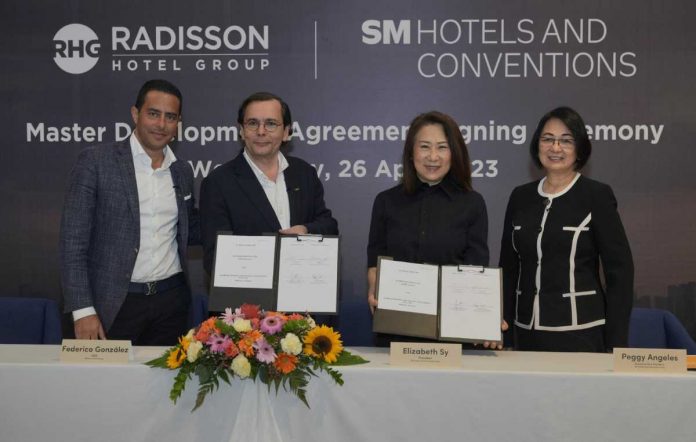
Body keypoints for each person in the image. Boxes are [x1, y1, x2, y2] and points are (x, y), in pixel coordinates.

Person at [60, 79, 199, 345]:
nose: (161, 124)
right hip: (112, 305)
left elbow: (190, 229)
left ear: (178, 123)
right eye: (153, 114)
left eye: (170, 117)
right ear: (135, 114)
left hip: (171, 304)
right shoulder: (96, 162)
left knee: (166, 387)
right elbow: (72, 243)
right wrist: (83, 310)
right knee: (106, 386)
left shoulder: (182, 171)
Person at [499, 106, 634, 352]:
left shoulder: (597, 195)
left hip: (581, 333)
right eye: (547, 139)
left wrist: (616, 343)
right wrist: (503, 329)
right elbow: (508, 269)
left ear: (579, 148)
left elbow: (620, 273)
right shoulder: (520, 197)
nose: (555, 148)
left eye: (566, 141)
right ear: (536, 145)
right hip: (525, 333)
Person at [366, 111, 490, 346]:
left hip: (452, 330)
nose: (433, 156)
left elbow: (476, 269)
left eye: (442, 147)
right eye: (424, 146)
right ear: (411, 153)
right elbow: (376, 259)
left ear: (454, 153)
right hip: (396, 328)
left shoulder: (472, 203)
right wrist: (374, 286)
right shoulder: (386, 201)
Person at [199, 92, 338, 275]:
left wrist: (305, 231)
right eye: (253, 123)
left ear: (287, 132)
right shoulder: (218, 182)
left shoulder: (304, 173)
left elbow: (328, 225)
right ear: (241, 130)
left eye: (271, 124)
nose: (261, 131)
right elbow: (215, 258)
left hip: (301, 291)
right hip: (249, 298)